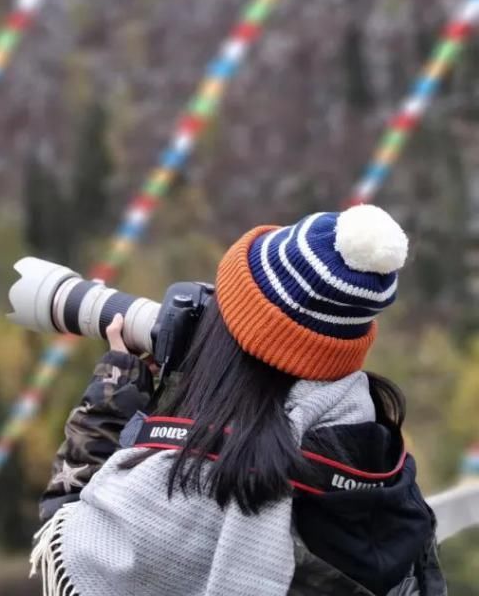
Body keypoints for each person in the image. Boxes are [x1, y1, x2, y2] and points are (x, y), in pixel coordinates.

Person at [31, 205, 447, 596]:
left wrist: (107, 404)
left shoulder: (204, 485)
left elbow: (72, 558)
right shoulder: (378, 459)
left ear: (238, 342)